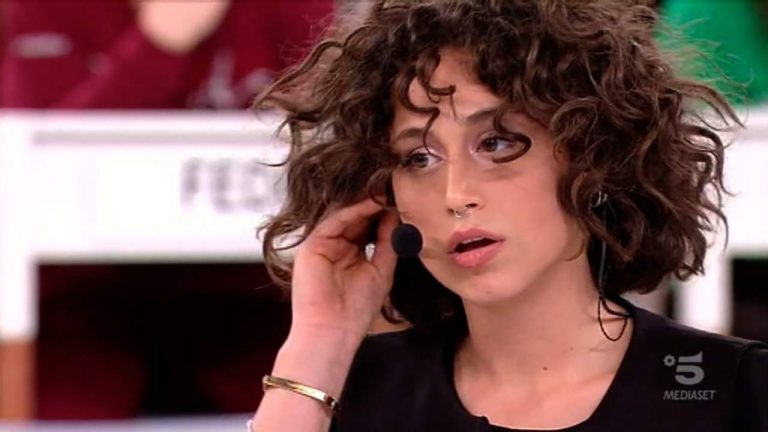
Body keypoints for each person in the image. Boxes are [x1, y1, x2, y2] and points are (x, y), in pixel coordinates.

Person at [249, 1, 768, 431]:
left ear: (592, 155)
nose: (455, 195)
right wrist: (318, 343)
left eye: (495, 143)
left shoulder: (735, 391)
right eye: (419, 158)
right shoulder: (341, 392)